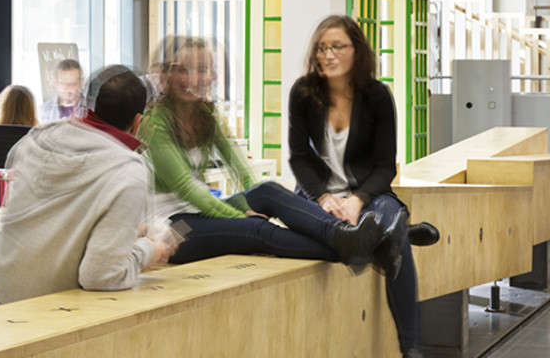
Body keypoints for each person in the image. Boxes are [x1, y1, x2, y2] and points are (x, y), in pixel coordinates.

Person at [139, 35, 393, 274]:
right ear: (166, 75)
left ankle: (344, 234)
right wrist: (239, 215)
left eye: (202, 70)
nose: (194, 78)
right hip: (171, 229)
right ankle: (356, 248)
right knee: (253, 229)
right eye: (183, 69)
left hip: (198, 213)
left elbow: (239, 169)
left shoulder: (204, 116)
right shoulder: (156, 123)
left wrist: (248, 202)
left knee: (269, 190)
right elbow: (186, 188)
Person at [288, 15, 440, 358]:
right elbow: (299, 158)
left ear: (357, 50)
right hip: (317, 199)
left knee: (384, 221)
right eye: (322, 47)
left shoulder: (377, 96)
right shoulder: (303, 93)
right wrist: (323, 197)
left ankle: (412, 352)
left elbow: (385, 164)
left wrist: (356, 201)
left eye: (337, 46)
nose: (328, 55)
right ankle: (396, 232)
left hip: (368, 199)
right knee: (394, 238)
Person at [0, 65, 177, 304]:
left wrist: (132, 229)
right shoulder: (127, 169)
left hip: (3, 290)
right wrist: (150, 250)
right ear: (138, 121)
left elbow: (51, 219)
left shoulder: (36, 139)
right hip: (54, 306)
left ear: (85, 105)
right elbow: (102, 277)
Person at [40, 58, 86, 122]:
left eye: (72, 84)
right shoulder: (44, 110)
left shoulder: (93, 109)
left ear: (81, 83)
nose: (67, 88)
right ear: (56, 83)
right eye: (62, 83)